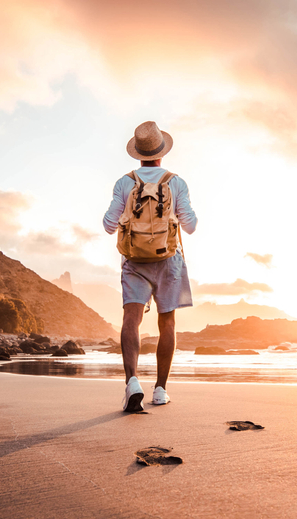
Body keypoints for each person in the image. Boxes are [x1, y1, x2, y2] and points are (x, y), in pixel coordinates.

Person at [103, 121, 197, 413]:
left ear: (138, 153)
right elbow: (191, 226)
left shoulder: (124, 182)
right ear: (161, 152)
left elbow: (108, 225)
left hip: (133, 260)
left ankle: (132, 382)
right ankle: (160, 390)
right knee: (166, 321)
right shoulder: (176, 182)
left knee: (131, 319)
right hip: (169, 260)